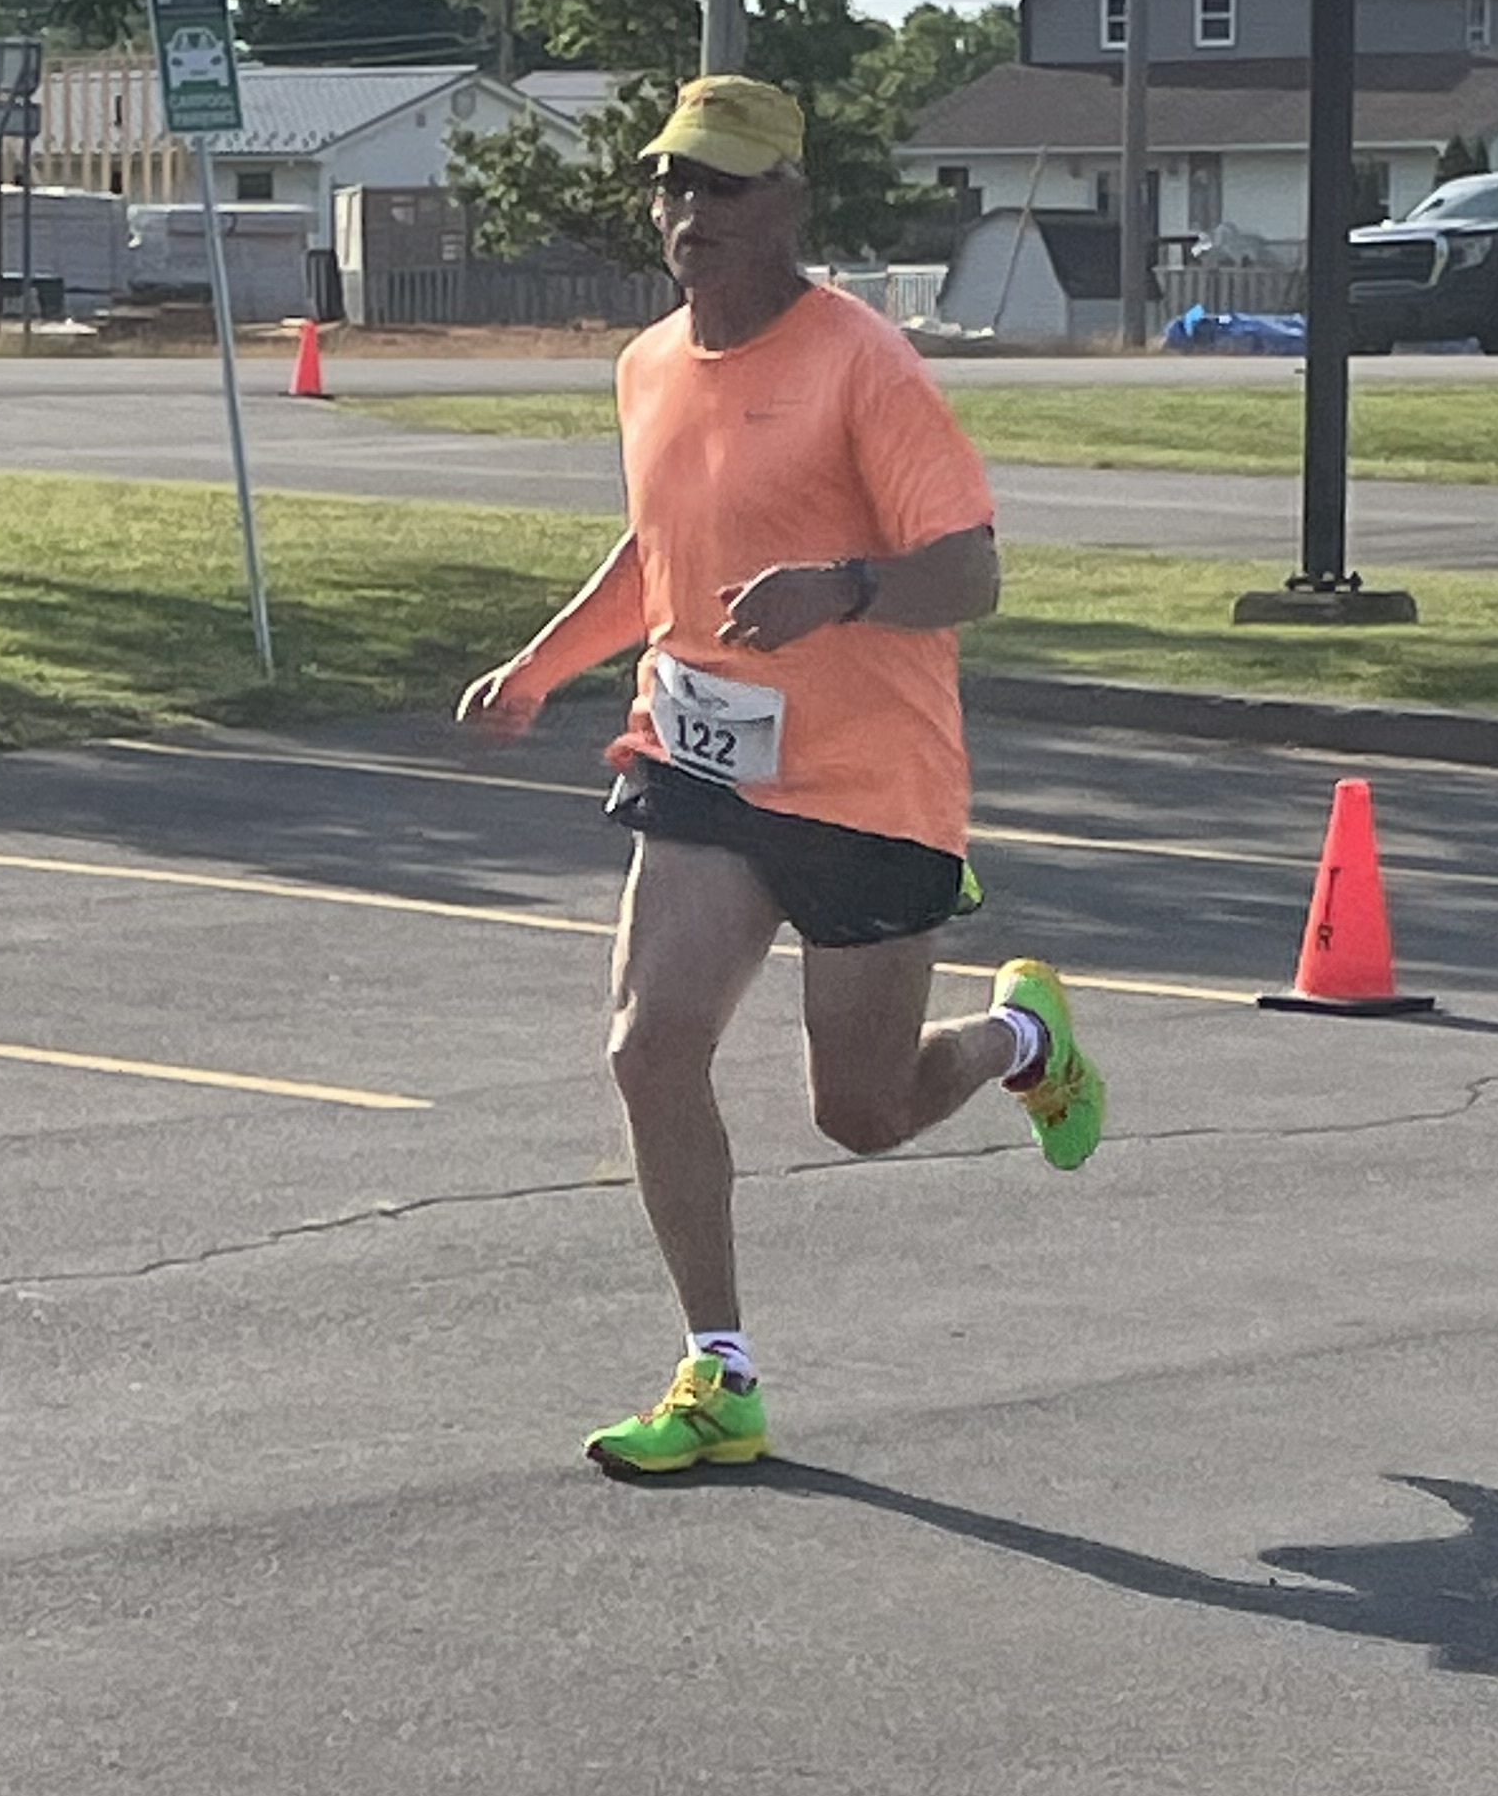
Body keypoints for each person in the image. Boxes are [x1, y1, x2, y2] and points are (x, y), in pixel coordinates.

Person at [455, 73, 1104, 1481]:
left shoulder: (863, 363)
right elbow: (658, 549)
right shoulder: (646, 366)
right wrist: (542, 665)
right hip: (699, 763)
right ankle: (720, 1374)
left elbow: (972, 572)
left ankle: (1023, 1041)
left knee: (861, 1113)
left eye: (724, 185)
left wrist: (846, 588)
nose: (690, 210)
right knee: (648, 1047)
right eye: (674, 181)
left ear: (787, 202)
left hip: (871, 785)